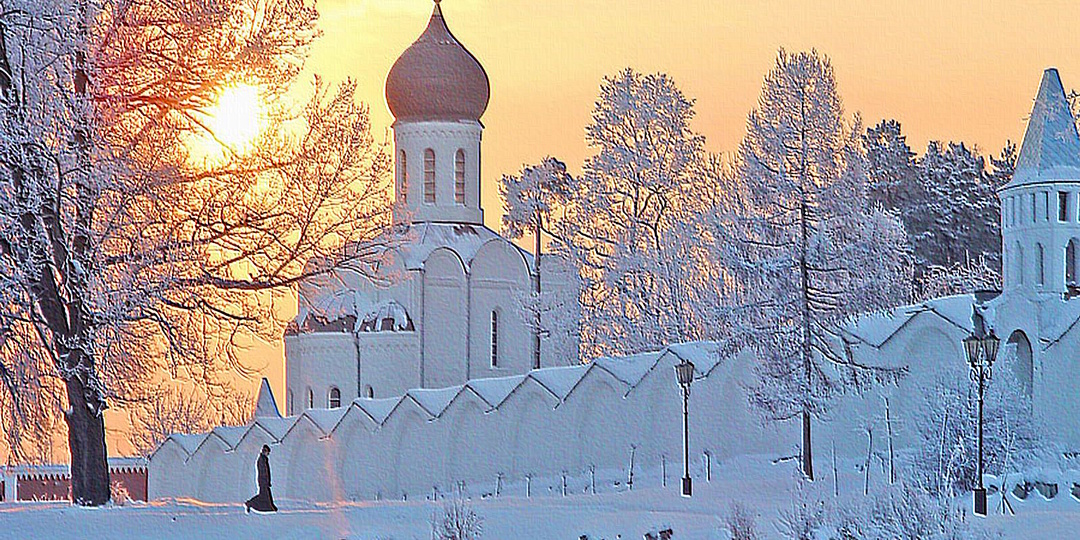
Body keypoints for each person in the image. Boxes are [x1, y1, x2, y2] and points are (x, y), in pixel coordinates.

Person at [245, 445, 278, 513]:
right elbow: (263, 471)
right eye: (267, 452)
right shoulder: (261, 460)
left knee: (263, 495)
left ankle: (270, 507)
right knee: (264, 495)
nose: (268, 454)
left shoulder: (263, 459)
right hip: (263, 480)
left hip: (264, 480)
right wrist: (265, 480)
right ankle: (250, 503)